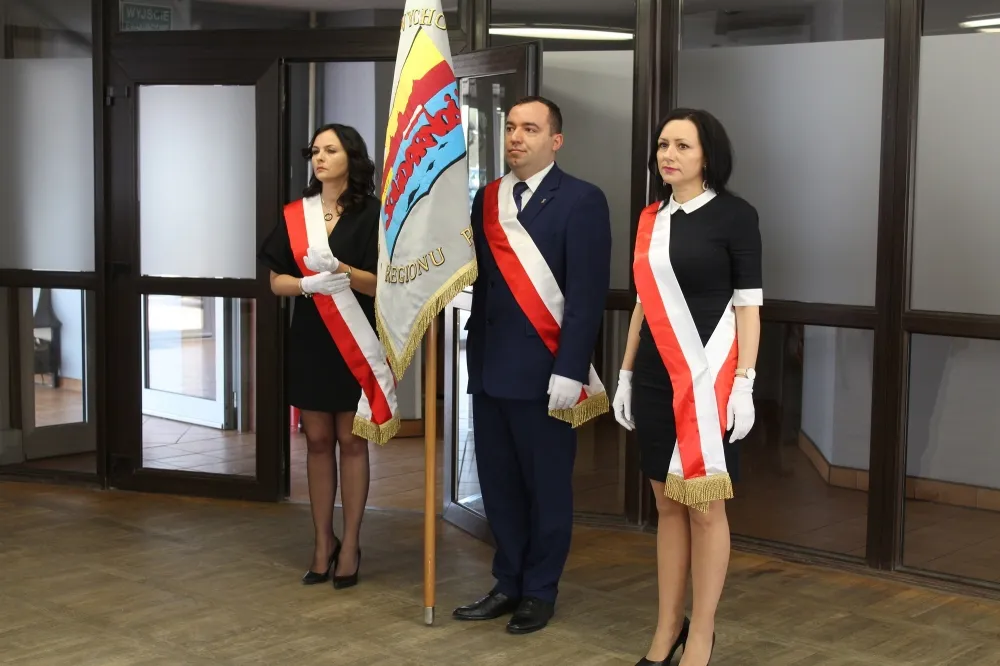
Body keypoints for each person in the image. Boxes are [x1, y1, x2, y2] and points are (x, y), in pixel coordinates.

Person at [452, 96, 612, 634]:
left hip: (546, 373)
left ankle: (540, 590)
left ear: (555, 140)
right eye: (511, 128)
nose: (516, 137)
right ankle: (508, 582)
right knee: (498, 487)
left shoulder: (582, 200)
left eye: (530, 129)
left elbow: (586, 296)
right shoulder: (488, 198)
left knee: (546, 489)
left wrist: (571, 369)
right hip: (490, 366)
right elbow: (479, 279)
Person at [612, 108, 762, 666]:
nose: (668, 155)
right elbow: (642, 304)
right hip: (655, 376)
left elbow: (748, 307)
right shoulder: (650, 218)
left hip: (710, 380)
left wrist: (745, 381)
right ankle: (667, 628)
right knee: (666, 505)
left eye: (682, 145)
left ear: (707, 156)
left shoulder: (736, 216)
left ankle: (703, 634)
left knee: (704, 508)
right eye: (663, 145)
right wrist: (626, 372)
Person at [258, 123, 381, 589]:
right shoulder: (298, 214)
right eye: (315, 151)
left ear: (352, 157)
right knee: (316, 441)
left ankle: (351, 545)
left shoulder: (373, 214)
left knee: (352, 441)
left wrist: (343, 271)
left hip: (355, 339)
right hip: (311, 336)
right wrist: (308, 284)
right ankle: (322, 542)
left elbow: (384, 284)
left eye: (330, 150)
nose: (320, 158)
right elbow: (276, 281)